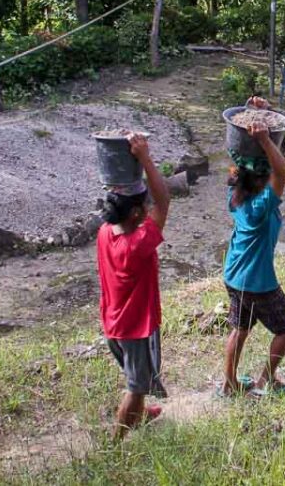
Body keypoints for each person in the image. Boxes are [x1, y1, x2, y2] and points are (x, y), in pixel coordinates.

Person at [220, 98, 285, 397]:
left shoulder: (235, 194)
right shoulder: (263, 206)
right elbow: (283, 172)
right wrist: (266, 139)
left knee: (240, 329)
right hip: (257, 283)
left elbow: (240, 149)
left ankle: (229, 385)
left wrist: (253, 111)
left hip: (234, 275)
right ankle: (266, 380)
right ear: (264, 177)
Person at [96, 133, 170, 439]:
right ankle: (116, 442)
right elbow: (164, 201)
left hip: (114, 324)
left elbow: (135, 198)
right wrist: (145, 158)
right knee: (137, 387)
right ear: (137, 213)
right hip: (134, 329)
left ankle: (139, 416)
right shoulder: (137, 244)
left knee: (136, 376)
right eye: (144, 206)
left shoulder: (105, 233)